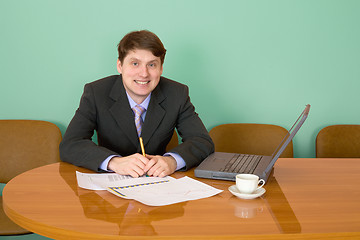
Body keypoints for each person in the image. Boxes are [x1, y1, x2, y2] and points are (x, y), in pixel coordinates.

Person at [60, 30, 214, 178]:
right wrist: (114, 162)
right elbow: (71, 144)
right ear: (120, 66)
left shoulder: (177, 94)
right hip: (109, 192)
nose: (144, 73)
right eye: (135, 64)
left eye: (152, 65)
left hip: (157, 187)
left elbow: (202, 142)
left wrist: (172, 161)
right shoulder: (96, 93)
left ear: (161, 68)